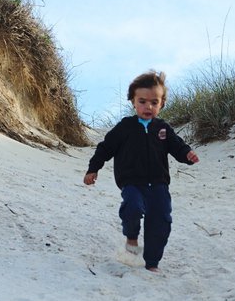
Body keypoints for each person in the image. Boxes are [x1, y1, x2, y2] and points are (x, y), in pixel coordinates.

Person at [83, 70, 199, 272]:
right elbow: (105, 148)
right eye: (142, 101)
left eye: (154, 102)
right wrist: (93, 169)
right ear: (133, 102)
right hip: (132, 182)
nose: (148, 106)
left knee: (161, 221)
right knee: (133, 208)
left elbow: (178, 147)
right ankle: (131, 236)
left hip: (159, 184)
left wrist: (187, 154)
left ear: (162, 104)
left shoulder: (163, 128)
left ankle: (152, 262)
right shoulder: (125, 127)